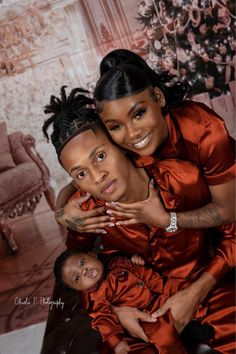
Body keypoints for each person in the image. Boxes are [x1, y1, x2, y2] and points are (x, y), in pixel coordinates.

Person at [43, 86, 235, 353]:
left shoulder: (181, 179)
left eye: (100, 156)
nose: (97, 177)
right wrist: (117, 310)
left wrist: (196, 292)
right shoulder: (87, 210)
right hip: (137, 315)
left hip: (201, 291)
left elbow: (232, 232)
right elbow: (74, 266)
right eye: (81, 174)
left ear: (121, 146)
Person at [55, 49, 235, 235]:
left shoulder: (203, 128)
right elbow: (74, 185)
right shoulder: (115, 144)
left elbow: (228, 211)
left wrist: (166, 220)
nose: (132, 134)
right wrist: (61, 215)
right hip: (188, 238)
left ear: (158, 97)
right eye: (116, 126)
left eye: (139, 114)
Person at [54, 249, 214, 354]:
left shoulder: (115, 261)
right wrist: (116, 343)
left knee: (187, 290)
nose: (84, 271)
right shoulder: (95, 297)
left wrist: (134, 259)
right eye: (77, 277)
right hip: (144, 313)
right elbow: (104, 321)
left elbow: (132, 263)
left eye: (82, 263)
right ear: (79, 289)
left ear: (92, 255)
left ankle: (197, 318)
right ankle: (183, 340)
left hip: (159, 288)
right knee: (162, 333)